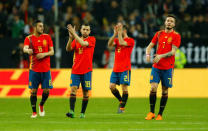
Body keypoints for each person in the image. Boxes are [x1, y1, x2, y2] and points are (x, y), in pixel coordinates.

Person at [145, 14, 181, 120]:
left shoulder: (176, 36)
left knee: (165, 91)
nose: (169, 22)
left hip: (168, 68)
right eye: (167, 20)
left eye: (171, 21)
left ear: (174, 24)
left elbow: (173, 51)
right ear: (165, 22)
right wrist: (147, 54)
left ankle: (160, 114)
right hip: (156, 67)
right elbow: (150, 46)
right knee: (153, 87)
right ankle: (151, 112)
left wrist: (160, 55)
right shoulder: (159, 33)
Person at [23, 20, 54, 118]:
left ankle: (41, 105)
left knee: (46, 91)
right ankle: (34, 112)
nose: (42, 28)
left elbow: (52, 51)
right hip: (34, 70)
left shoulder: (47, 37)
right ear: (35, 27)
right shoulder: (29, 38)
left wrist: (44, 54)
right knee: (33, 91)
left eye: (42, 26)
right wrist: (28, 50)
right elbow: (24, 48)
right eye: (40, 26)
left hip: (46, 69)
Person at [65, 23, 96, 118]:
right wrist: (70, 38)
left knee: (86, 92)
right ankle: (71, 111)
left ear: (89, 31)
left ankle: (82, 113)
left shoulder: (92, 39)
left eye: (87, 29)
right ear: (81, 30)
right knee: (73, 89)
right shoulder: (75, 40)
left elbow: (83, 43)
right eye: (84, 29)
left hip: (87, 71)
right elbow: (68, 49)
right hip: (75, 70)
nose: (85, 31)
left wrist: (74, 34)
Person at [108, 22, 135, 113]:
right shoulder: (116, 40)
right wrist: (115, 34)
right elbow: (109, 44)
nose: (118, 29)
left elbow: (122, 42)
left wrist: (119, 33)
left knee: (124, 88)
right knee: (111, 86)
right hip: (116, 69)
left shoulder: (131, 40)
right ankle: (121, 100)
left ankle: (121, 107)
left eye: (120, 28)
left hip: (125, 68)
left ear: (125, 30)